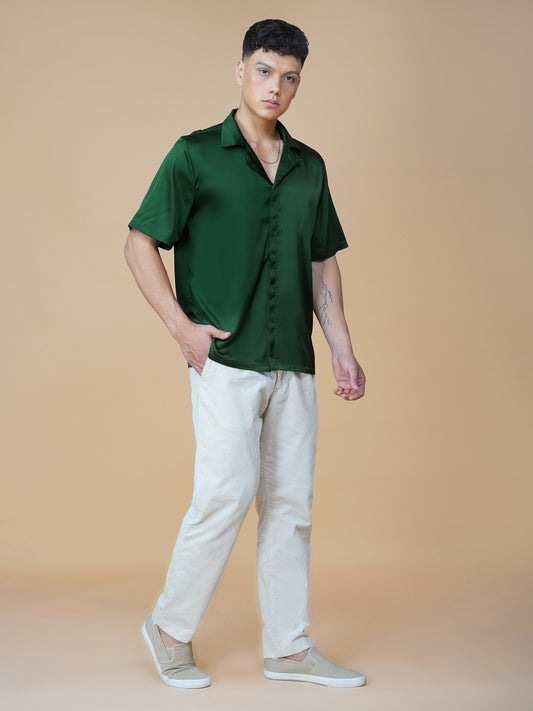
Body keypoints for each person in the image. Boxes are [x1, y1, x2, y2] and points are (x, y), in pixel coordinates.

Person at [124, 18, 366, 689]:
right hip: (226, 361)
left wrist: (342, 349)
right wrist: (182, 328)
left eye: (289, 77)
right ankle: (169, 629)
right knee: (224, 496)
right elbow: (140, 242)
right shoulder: (194, 155)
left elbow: (321, 260)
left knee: (290, 507)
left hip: (292, 359)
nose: (275, 87)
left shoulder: (309, 165)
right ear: (240, 71)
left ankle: (288, 647)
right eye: (264, 70)